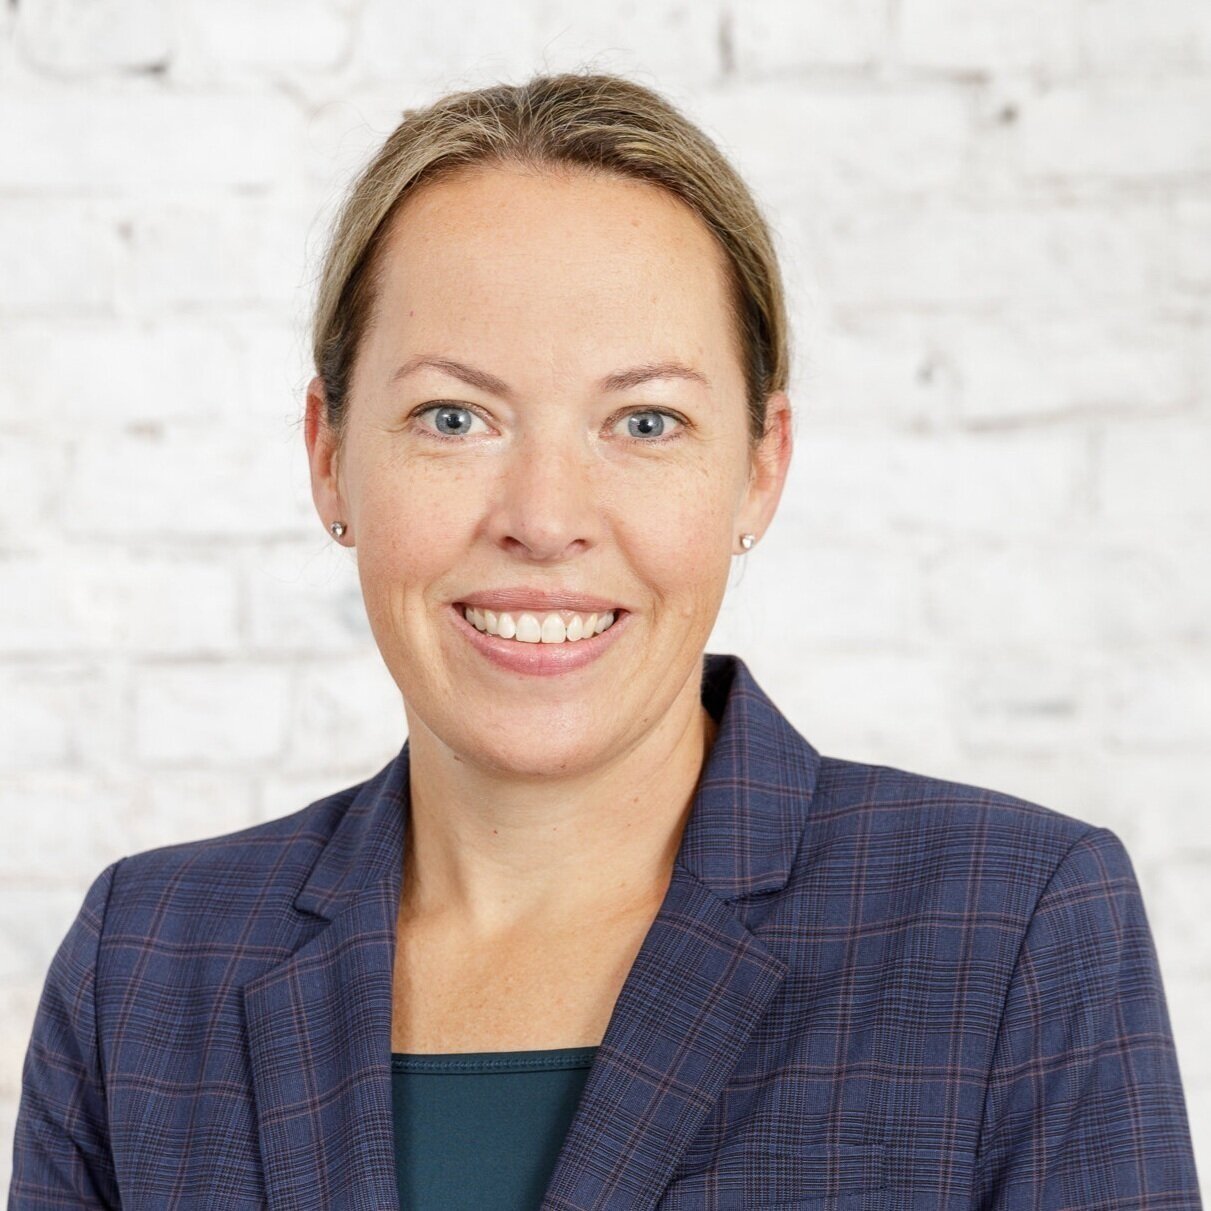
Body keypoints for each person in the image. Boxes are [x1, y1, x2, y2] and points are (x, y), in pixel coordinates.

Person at [8, 71, 1201, 1211]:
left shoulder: (1007, 930)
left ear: (760, 465)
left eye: (644, 420)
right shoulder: (148, 968)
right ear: (327, 453)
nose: (543, 517)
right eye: (453, 415)